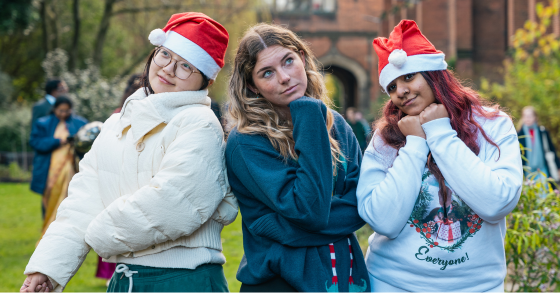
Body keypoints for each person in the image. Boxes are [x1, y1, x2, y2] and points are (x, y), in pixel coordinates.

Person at [21, 12, 238, 292]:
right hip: (124, 281)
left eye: (186, 65)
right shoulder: (116, 124)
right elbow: (84, 199)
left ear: (206, 80)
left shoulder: (199, 124)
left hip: (183, 280)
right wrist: (48, 269)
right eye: (165, 55)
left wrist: (94, 236)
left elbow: (172, 205)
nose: (169, 69)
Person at [356, 20, 523, 292]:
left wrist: (439, 132)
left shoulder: (492, 125)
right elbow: (383, 220)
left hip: (477, 287)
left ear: (434, 73)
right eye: (392, 86)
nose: (401, 91)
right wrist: (415, 144)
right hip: (393, 284)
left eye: (409, 77)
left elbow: (497, 203)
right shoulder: (386, 137)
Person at [225, 24, 370, 292]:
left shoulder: (336, 124)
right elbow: (309, 211)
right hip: (281, 283)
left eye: (288, 61)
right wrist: (308, 115)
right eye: (267, 73)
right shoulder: (246, 143)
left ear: (302, 58)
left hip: (346, 278)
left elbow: (363, 204)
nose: (284, 77)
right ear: (252, 86)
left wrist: (285, 228)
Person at [29, 97, 88, 222]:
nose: (64, 114)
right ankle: (47, 229)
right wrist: (58, 141)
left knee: (71, 198)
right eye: (61, 110)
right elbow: (35, 142)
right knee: (50, 197)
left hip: (72, 169)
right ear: (54, 109)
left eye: (67, 111)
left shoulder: (80, 123)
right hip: (49, 170)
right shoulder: (43, 123)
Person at [517, 106, 560, 181]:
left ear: (535, 117)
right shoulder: (519, 134)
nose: (527, 118)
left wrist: (558, 167)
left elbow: (552, 149)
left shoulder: (543, 132)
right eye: (525, 116)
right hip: (526, 171)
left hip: (543, 168)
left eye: (530, 116)